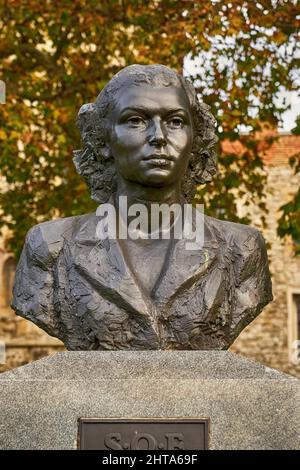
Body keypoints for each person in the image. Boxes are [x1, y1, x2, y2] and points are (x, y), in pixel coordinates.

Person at [12, 64, 272, 350]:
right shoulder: (49, 248)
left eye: (175, 121)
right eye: (135, 120)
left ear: (194, 139)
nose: (158, 136)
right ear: (103, 141)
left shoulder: (242, 249)